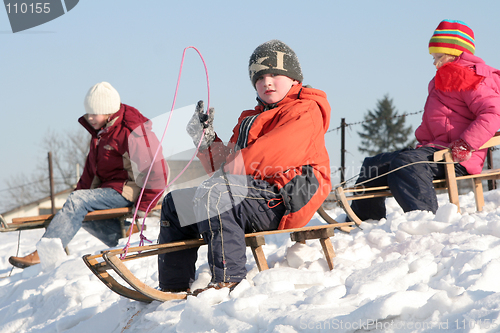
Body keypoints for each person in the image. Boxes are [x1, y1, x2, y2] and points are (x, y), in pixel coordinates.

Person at [157, 40, 332, 294]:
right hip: (248, 194)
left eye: (274, 74)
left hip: (284, 197)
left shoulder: (305, 110)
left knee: (219, 192)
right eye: (259, 77)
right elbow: (226, 166)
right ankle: (173, 286)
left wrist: (226, 175)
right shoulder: (251, 119)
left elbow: (271, 153)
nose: (267, 82)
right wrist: (205, 140)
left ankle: (228, 279)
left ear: (294, 79)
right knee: (176, 204)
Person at [349, 20, 500, 222]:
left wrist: (465, 144)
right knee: (374, 164)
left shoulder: (472, 78)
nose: (434, 62)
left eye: (438, 57)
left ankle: (425, 221)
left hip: (457, 155)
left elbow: (492, 113)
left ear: (455, 53)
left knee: (405, 163)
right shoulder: (441, 80)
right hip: (434, 149)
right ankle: (365, 219)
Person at [9, 82, 168, 268]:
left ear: (109, 111)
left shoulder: (132, 131)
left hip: (131, 188)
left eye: (94, 113)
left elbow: (156, 170)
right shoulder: (102, 134)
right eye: (88, 112)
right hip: (110, 189)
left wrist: (145, 204)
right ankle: (125, 235)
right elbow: (90, 172)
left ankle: (45, 253)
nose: (89, 117)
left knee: (79, 202)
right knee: (79, 209)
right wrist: (76, 199)